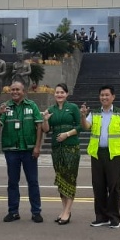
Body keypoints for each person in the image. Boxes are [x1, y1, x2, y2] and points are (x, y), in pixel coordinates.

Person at [80, 85, 120, 229]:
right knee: (98, 186)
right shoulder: (95, 113)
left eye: (107, 95)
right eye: (102, 95)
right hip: (98, 153)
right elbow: (86, 126)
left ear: (113, 97)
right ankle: (101, 217)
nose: (104, 97)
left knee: (114, 186)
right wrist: (83, 115)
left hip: (114, 154)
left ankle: (114, 217)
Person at [0, 81, 44, 223]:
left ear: (24, 91)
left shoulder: (32, 106)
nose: (14, 92)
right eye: (12, 90)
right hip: (11, 150)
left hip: (29, 150)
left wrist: (37, 147)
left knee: (33, 182)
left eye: (17, 89)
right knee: (12, 182)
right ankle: (13, 212)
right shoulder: (5, 107)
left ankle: (36, 212)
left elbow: (39, 126)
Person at [41, 83, 81, 225]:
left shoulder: (73, 108)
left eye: (62, 92)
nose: (59, 95)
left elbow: (80, 126)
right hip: (56, 148)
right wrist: (45, 119)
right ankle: (64, 210)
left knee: (69, 178)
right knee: (60, 178)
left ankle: (68, 211)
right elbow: (46, 130)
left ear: (67, 94)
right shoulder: (51, 109)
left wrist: (67, 134)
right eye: (57, 92)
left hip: (71, 147)